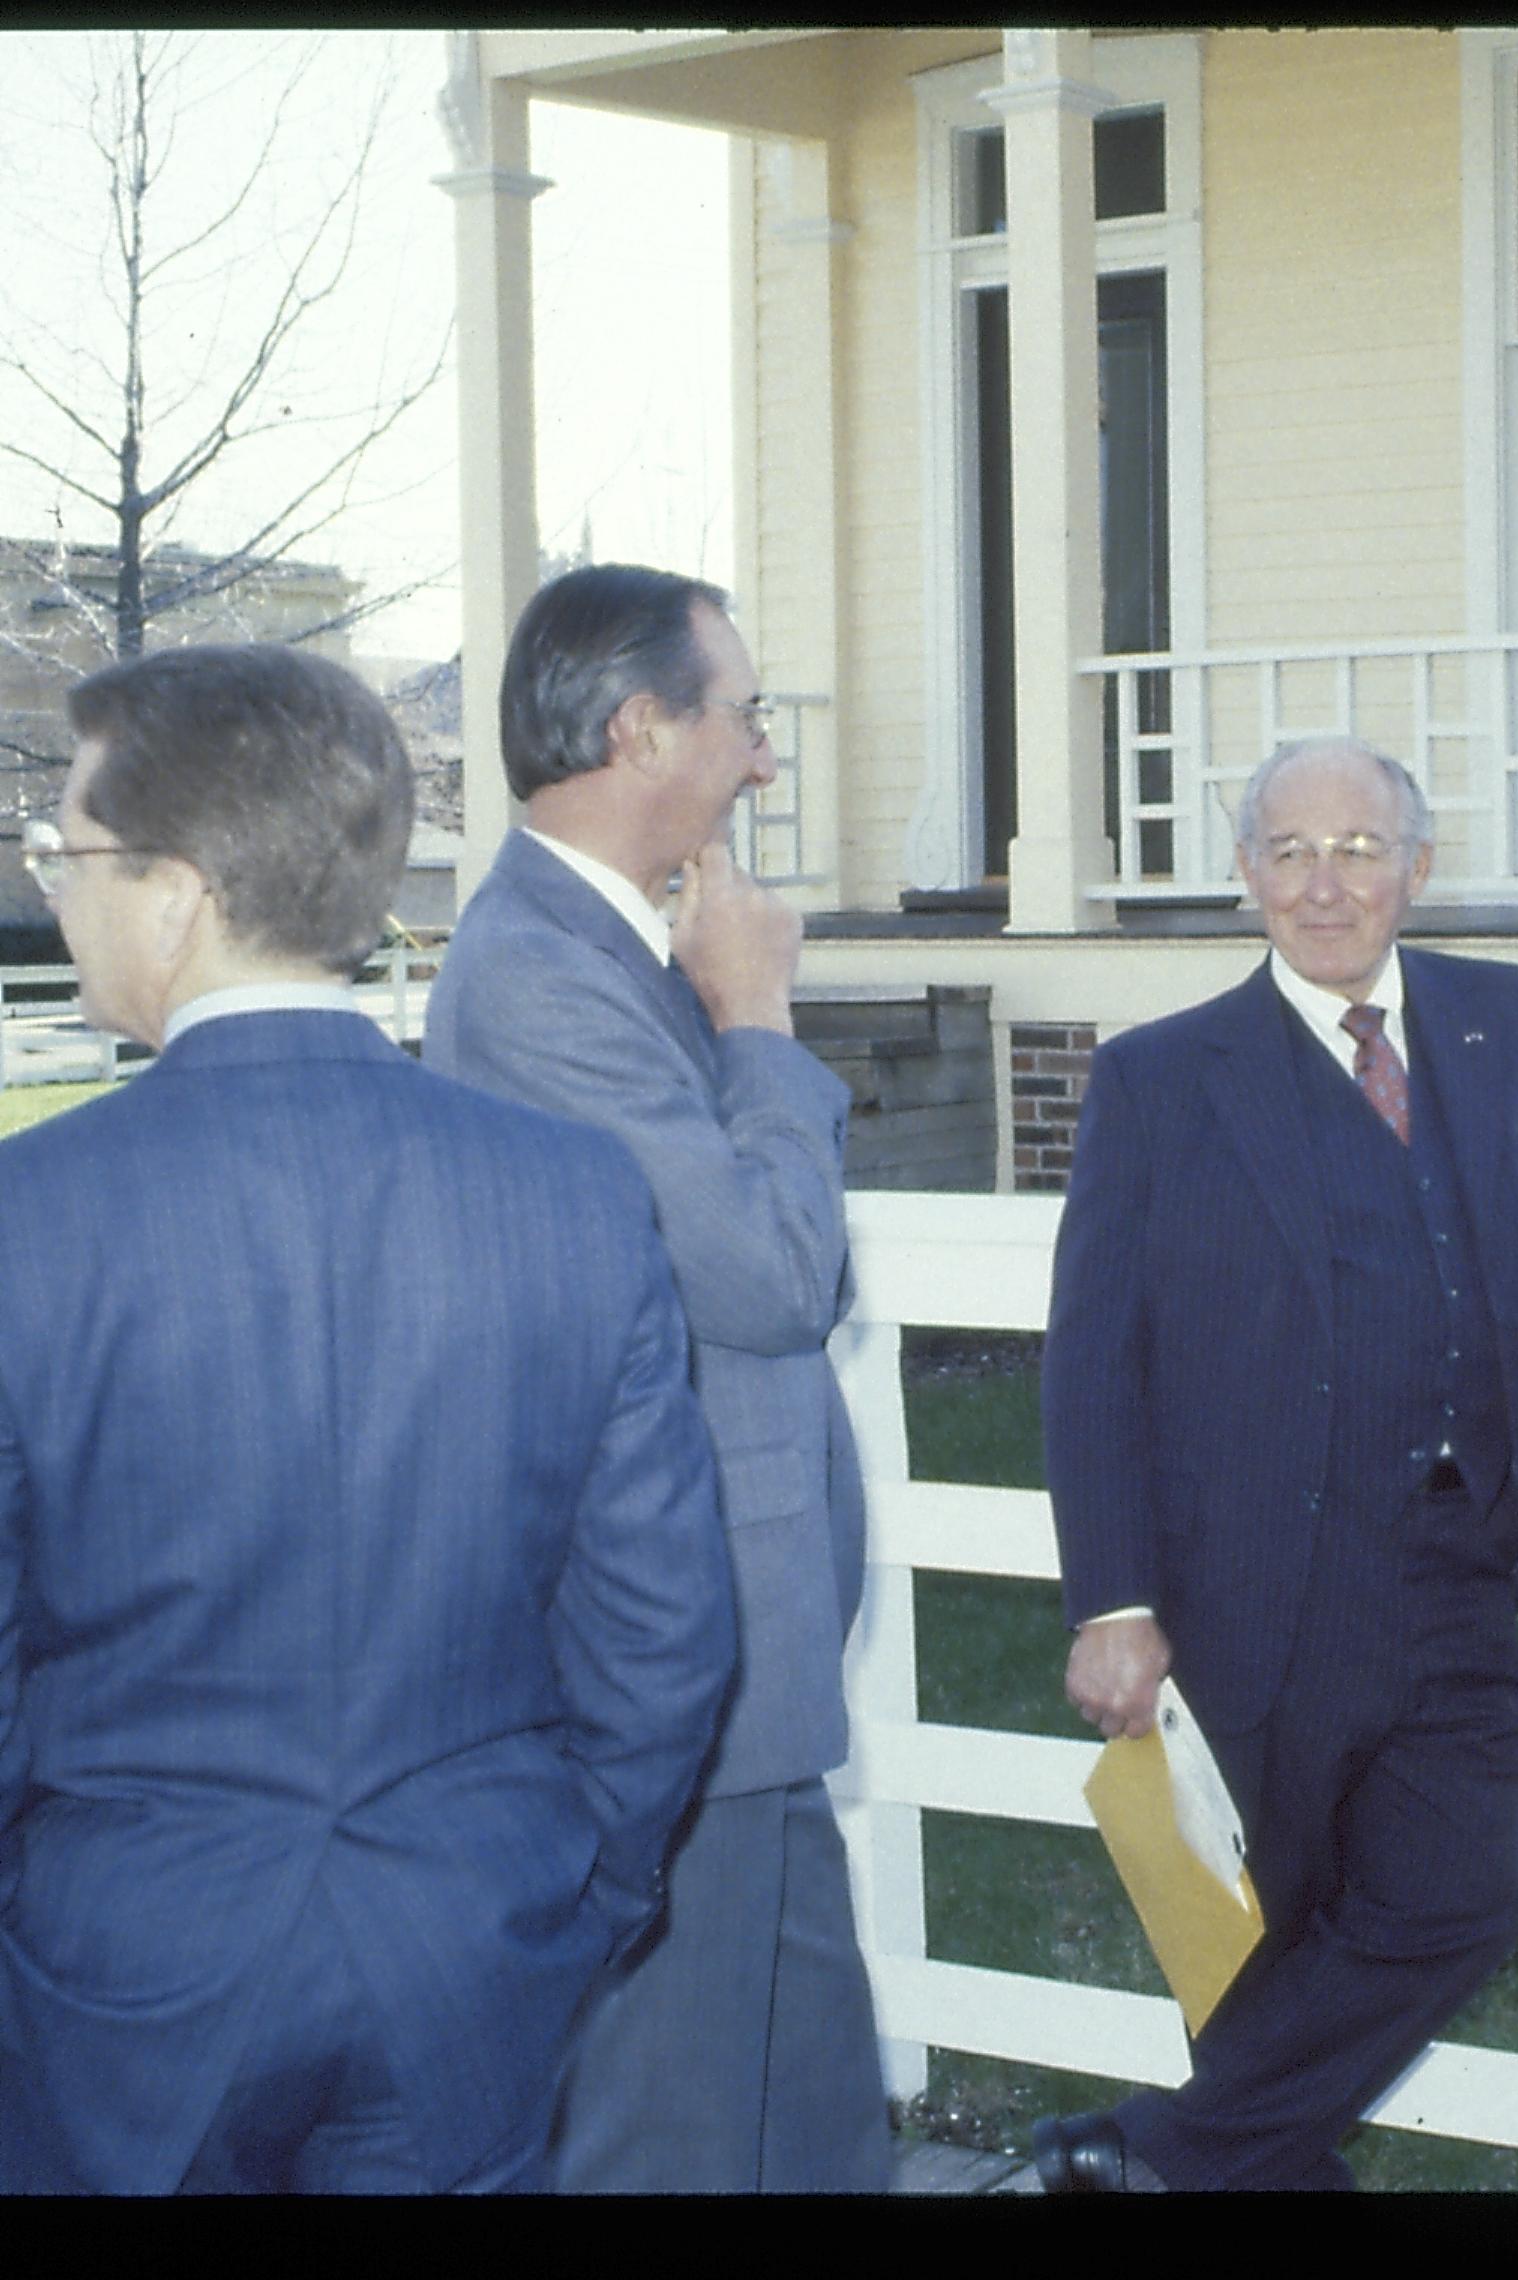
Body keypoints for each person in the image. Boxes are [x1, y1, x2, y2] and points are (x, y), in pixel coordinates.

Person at [0, 644, 734, 2193]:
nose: (50, 884)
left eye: (62, 847)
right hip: (473, 1940)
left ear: (176, 890)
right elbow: (662, 1632)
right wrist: (569, 1889)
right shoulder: (572, 1193)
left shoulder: (30, 1217)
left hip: (131, 1966)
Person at [1032, 736, 1518, 2192]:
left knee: (1468, 1899)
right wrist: (1110, 1599)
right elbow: (1091, 1362)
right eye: (1293, 851)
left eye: (1361, 849)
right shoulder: (1157, 1079)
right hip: (1257, 1591)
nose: (1328, 884)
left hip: (1461, 1578)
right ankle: (1186, 2167)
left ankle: (1139, 2161)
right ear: (1246, 874)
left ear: (1418, 869)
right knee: (1273, 1963)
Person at [423, 565, 890, 2192]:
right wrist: (757, 1016)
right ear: (641, 727)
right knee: (674, 2139)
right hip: (665, 1675)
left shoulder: (627, 949)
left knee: (817, 2126)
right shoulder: (539, 979)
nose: (766, 756)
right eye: (745, 715)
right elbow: (767, 1276)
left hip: (741, 1689)